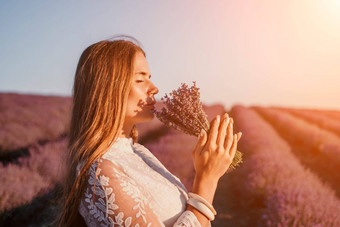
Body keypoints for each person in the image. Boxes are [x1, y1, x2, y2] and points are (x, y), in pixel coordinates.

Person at [57, 36, 242, 227]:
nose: (154, 88)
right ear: (109, 88)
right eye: (140, 79)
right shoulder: (99, 173)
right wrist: (207, 179)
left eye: (149, 78)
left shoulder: (137, 151)